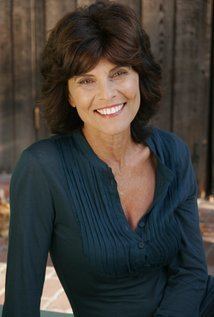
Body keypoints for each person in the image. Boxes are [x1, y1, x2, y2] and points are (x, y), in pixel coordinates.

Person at [2, 1, 214, 316]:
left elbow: (192, 272)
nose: (107, 93)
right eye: (86, 80)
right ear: (69, 95)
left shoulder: (172, 152)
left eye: (119, 73)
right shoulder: (42, 169)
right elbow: (21, 301)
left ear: (138, 76)